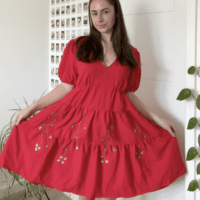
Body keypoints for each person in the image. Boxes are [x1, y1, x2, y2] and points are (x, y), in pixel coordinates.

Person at [0, 0, 187, 199]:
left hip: (114, 129)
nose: (99, 18)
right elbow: (66, 86)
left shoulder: (131, 55)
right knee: (85, 189)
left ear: (116, 13)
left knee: (110, 189)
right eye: (94, 13)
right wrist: (32, 108)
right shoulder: (77, 47)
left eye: (105, 11)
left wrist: (156, 119)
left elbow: (128, 94)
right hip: (82, 128)